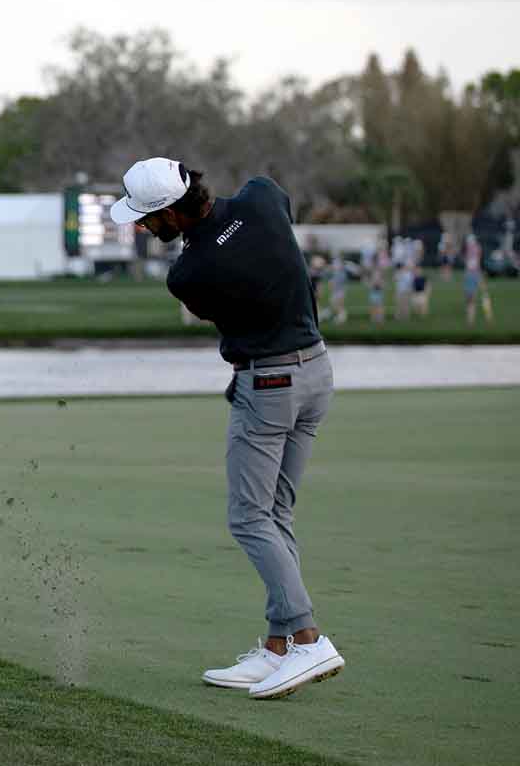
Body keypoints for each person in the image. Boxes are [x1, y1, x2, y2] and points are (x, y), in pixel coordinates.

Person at [110, 157, 344, 700]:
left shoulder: (188, 274)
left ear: (172, 211)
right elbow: (268, 211)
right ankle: (279, 647)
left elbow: (214, 279)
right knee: (276, 512)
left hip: (268, 387)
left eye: (148, 219)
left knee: (248, 517)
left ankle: (309, 638)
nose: (144, 228)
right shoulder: (262, 195)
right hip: (317, 374)